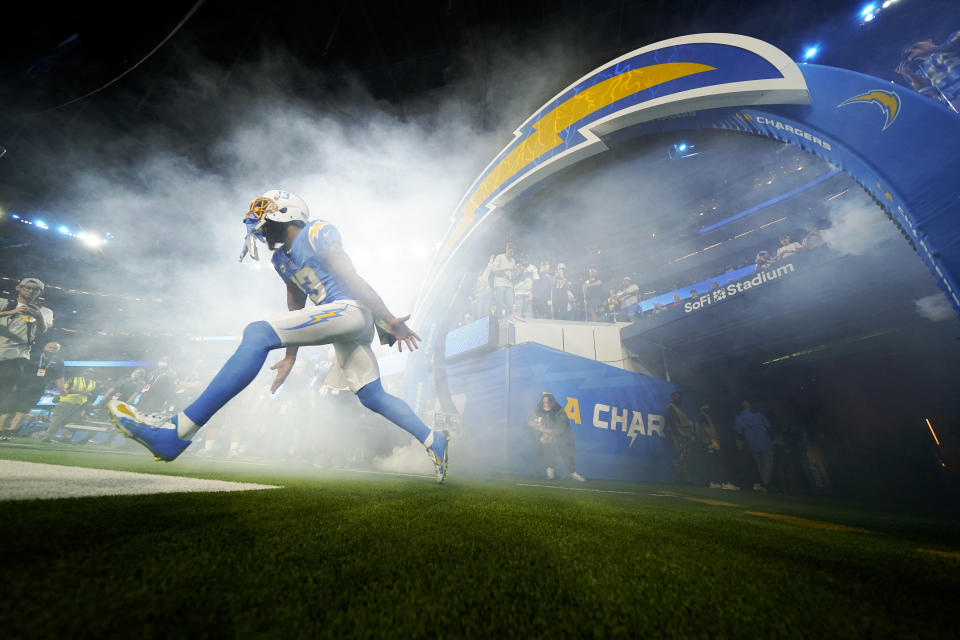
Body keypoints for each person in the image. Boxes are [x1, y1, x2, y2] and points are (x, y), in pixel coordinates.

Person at [107, 190, 449, 482]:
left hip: (350, 311)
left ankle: (177, 431)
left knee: (257, 332)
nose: (259, 226)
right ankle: (433, 439)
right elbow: (295, 304)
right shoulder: (280, 260)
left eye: (263, 217)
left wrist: (388, 317)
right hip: (340, 323)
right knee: (371, 395)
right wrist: (290, 355)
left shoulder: (316, 231)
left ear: (284, 215)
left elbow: (352, 276)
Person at [0, 278, 54, 433]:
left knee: (3, 393)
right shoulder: (4, 303)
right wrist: (13, 311)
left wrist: (38, 317)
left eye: (35, 289)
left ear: (40, 293)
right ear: (19, 288)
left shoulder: (45, 311)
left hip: (17, 356)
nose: (31, 291)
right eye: (28, 288)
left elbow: (43, 330)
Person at [0, 341, 64, 438]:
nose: (51, 349)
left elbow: (60, 376)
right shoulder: (32, 356)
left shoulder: (59, 362)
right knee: (7, 410)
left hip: (36, 391)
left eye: (55, 348)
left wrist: (61, 388)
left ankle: (10, 432)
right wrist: (13, 383)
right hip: (20, 387)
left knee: (23, 410)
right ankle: (1, 430)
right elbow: (19, 369)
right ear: (44, 347)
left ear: (58, 351)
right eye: (50, 347)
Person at [896, 31, 960, 113]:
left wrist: (933, 50)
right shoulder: (921, 71)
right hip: (954, 102)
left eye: (916, 47)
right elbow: (930, 96)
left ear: (929, 41)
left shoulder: (949, 42)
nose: (915, 51)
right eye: (910, 52)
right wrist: (911, 75)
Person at [526, 393, 584, 482]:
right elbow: (528, 422)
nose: (545, 404)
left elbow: (558, 431)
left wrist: (540, 428)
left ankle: (573, 473)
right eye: (544, 402)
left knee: (566, 452)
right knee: (546, 448)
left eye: (548, 402)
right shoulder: (539, 409)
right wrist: (533, 423)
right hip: (547, 436)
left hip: (563, 436)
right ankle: (550, 472)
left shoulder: (560, 411)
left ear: (552, 403)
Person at [696, 403, 738, 490]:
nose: (707, 407)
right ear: (701, 408)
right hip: (710, 442)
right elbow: (706, 429)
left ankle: (714, 482)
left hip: (707, 443)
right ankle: (724, 482)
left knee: (713, 463)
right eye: (705, 406)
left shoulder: (702, 416)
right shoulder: (703, 416)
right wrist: (713, 441)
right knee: (720, 462)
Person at [734, 400, 774, 492]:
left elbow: (739, 433)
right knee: (768, 463)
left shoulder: (738, 418)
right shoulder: (759, 416)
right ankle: (765, 483)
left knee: (759, 464)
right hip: (765, 444)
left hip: (752, 445)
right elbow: (768, 427)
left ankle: (763, 483)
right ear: (749, 406)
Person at [664, 391, 696, 483]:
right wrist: (677, 434)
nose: (679, 398)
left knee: (684, 456)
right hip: (678, 435)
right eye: (676, 396)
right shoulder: (671, 407)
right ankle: (678, 478)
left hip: (684, 435)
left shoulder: (679, 408)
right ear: (673, 397)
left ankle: (682, 477)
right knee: (679, 456)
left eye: (679, 396)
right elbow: (671, 422)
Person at [491, 242, 520, 317]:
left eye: (513, 252)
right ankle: (496, 321)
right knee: (500, 304)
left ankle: (507, 321)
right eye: (511, 251)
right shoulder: (499, 257)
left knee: (510, 304)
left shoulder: (513, 260)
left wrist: (517, 270)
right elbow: (494, 270)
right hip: (499, 283)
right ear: (507, 249)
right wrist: (507, 268)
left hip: (509, 284)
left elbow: (512, 274)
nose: (512, 253)